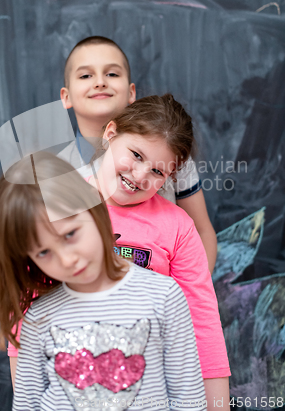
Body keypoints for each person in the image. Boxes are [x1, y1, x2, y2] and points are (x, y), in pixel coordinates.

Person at [0, 153, 206, 411]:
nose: (67, 259)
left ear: (93, 207)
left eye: (70, 234)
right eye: (43, 252)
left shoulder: (164, 297)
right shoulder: (38, 320)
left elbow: (189, 400)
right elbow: (27, 405)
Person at [87, 94, 230, 411]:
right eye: (136, 155)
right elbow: (27, 312)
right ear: (111, 134)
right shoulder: (61, 205)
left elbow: (203, 326)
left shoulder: (178, 228)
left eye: (158, 172)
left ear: (171, 178)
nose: (139, 175)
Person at [58, 36, 217, 272]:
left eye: (112, 74)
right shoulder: (54, 169)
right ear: (66, 96)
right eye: (85, 75)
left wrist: (187, 297)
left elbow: (202, 231)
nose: (100, 82)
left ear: (132, 92)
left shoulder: (173, 157)